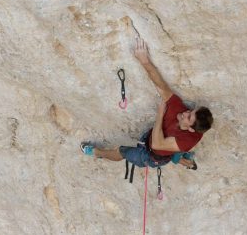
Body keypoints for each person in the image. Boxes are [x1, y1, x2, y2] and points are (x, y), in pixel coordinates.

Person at [81, 38, 213, 169]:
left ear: (190, 128)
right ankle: (182, 159)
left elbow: (157, 144)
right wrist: (144, 61)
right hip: (154, 139)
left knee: (122, 152)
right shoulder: (178, 108)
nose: (186, 112)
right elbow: (161, 85)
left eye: (189, 117)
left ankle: (96, 152)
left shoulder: (187, 141)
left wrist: (160, 114)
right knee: (173, 150)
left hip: (151, 156)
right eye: (191, 111)